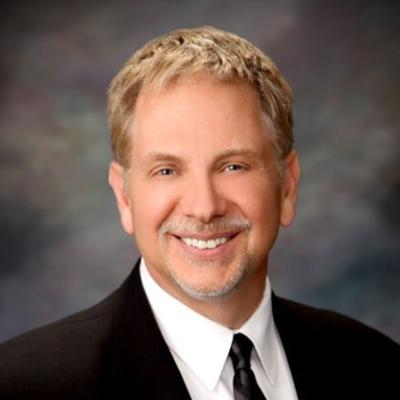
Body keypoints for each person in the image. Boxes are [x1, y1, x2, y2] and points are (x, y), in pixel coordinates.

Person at [0, 26, 398, 400]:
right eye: (167, 170)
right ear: (124, 197)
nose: (204, 208)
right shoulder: (25, 386)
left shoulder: (376, 365)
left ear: (287, 186)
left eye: (234, 166)